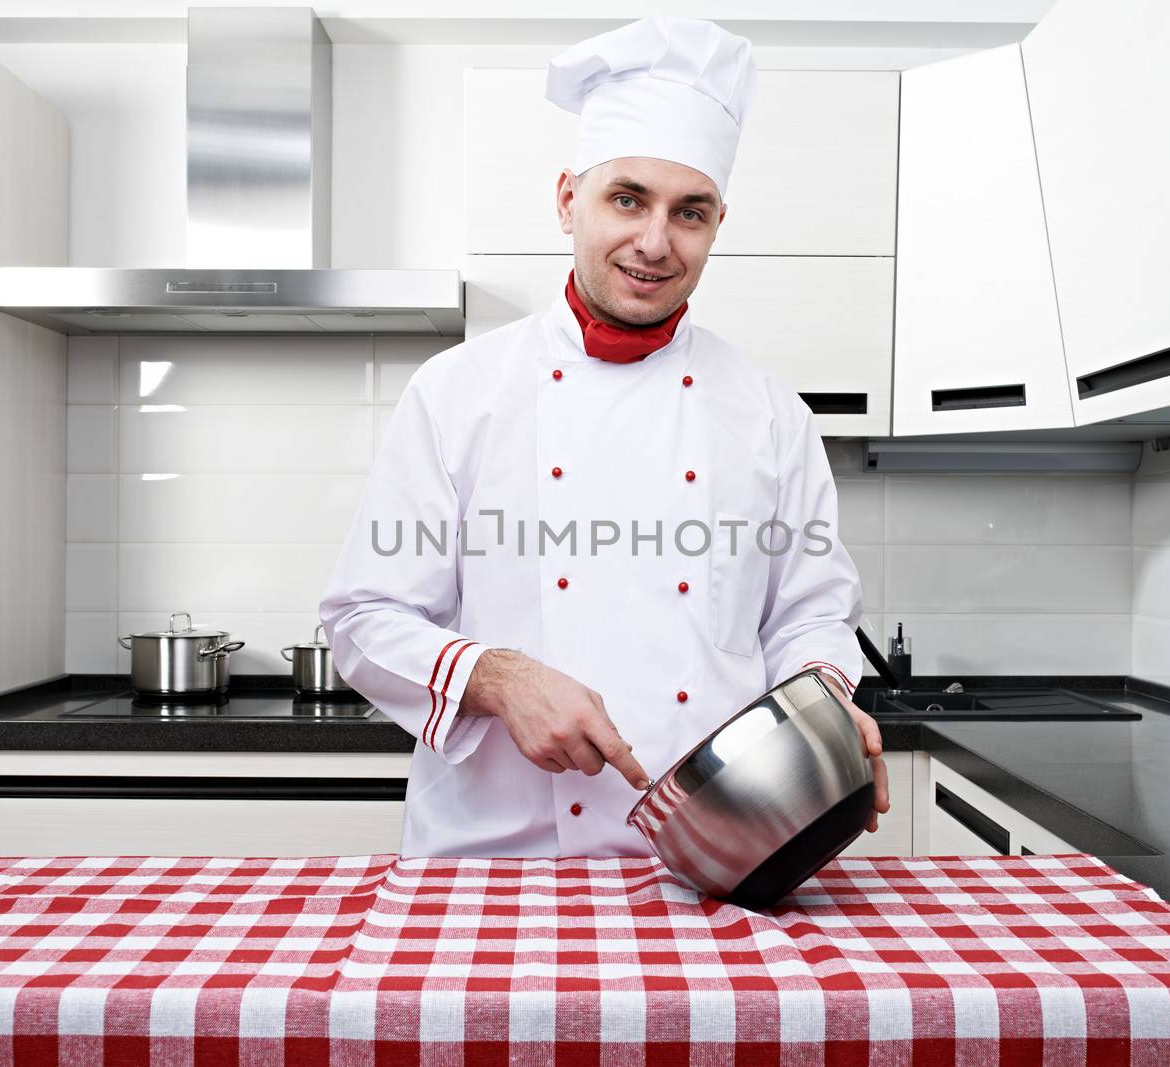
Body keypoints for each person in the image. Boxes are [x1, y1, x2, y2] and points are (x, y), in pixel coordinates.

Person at [320, 15, 889, 858]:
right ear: (566, 200)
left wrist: (826, 701)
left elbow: (808, 615)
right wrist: (500, 679)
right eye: (627, 199)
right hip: (491, 862)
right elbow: (364, 618)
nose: (655, 243)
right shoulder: (457, 394)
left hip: (712, 861)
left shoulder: (771, 414)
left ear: (718, 223)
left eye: (689, 213)